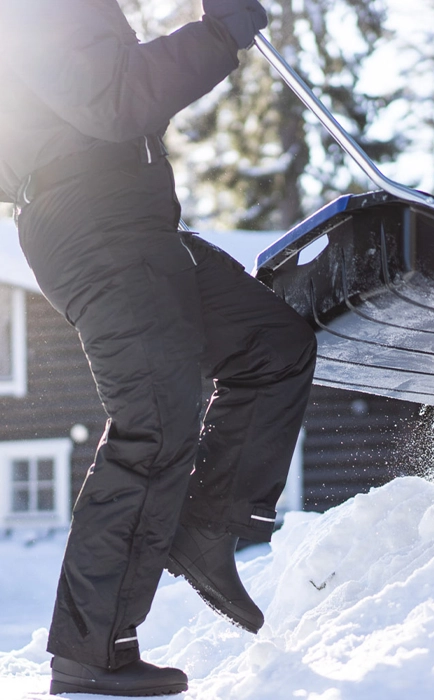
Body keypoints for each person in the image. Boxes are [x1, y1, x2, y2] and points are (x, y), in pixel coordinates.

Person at [0, 0, 317, 695]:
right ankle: (91, 655)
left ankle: (208, 528)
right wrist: (215, 36)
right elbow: (116, 99)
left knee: (271, 344)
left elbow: (112, 104)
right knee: (154, 422)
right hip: (94, 219)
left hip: (131, 215)